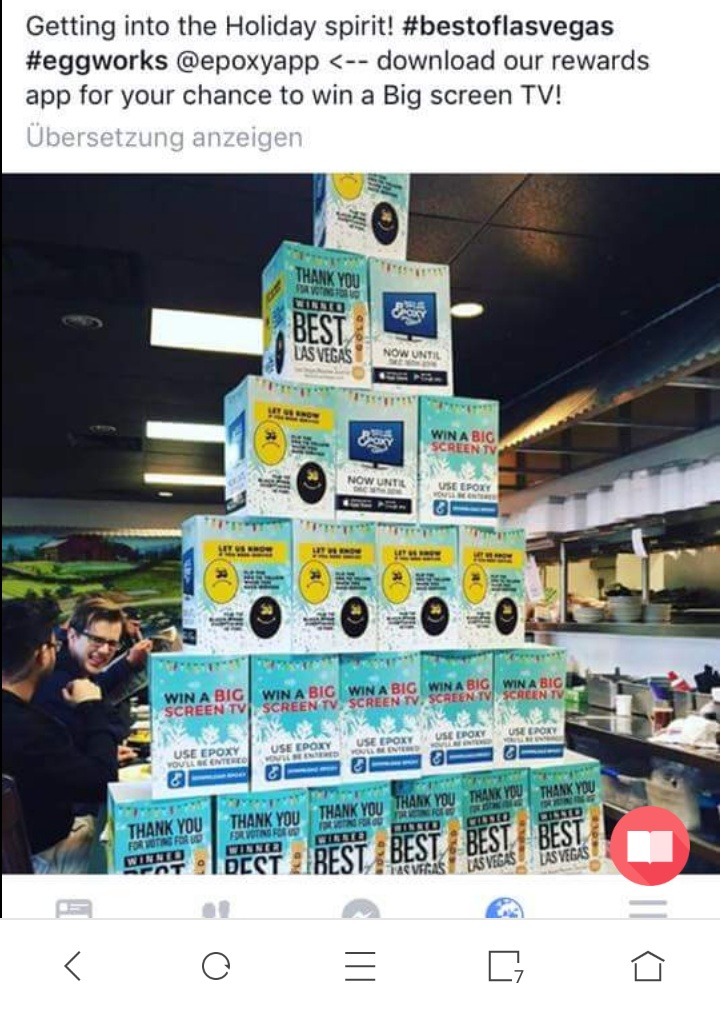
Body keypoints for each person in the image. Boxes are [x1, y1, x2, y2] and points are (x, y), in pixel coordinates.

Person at [2, 598, 118, 873]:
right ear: (42, 654)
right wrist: (92, 705)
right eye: (55, 645)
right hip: (38, 858)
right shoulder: (30, 728)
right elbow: (103, 783)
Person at [33, 596, 152, 745]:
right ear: (72, 635)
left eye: (112, 643)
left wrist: (129, 663)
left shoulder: (79, 670)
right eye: (96, 640)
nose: (104, 650)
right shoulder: (56, 681)